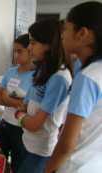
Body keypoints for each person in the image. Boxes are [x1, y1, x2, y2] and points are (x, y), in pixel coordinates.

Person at [43, 2, 102, 173]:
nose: (62, 36)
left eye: (66, 29)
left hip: (75, 166)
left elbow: (66, 145)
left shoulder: (87, 78)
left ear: (82, 33)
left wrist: (48, 170)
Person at [14, 17, 73, 173]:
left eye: (33, 43)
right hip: (27, 142)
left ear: (50, 44)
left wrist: (20, 115)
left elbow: (35, 125)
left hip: (41, 150)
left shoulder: (59, 78)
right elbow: (25, 103)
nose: (29, 48)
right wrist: (23, 114)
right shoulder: (42, 69)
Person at [0, 34, 35, 173]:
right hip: (5, 125)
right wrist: (18, 102)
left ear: (30, 51)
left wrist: (9, 99)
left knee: (17, 166)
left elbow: (30, 106)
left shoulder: (36, 75)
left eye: (20, 51)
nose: (16, 55)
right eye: (14, 51)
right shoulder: (10, 72)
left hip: (21, 129)